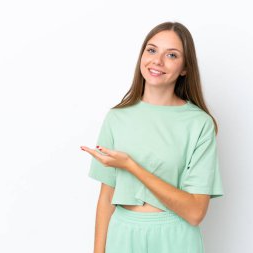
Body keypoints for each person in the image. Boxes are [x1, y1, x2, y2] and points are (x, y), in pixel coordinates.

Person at [80, 21, 224, 253]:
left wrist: (131, 166)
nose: (157, 61)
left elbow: (196, 212)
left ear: (185, 68)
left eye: (172, 55)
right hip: (123, 236)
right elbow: (106, 198)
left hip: (176, 238)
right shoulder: (117, 118)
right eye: (152, 50)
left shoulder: (199, 124)